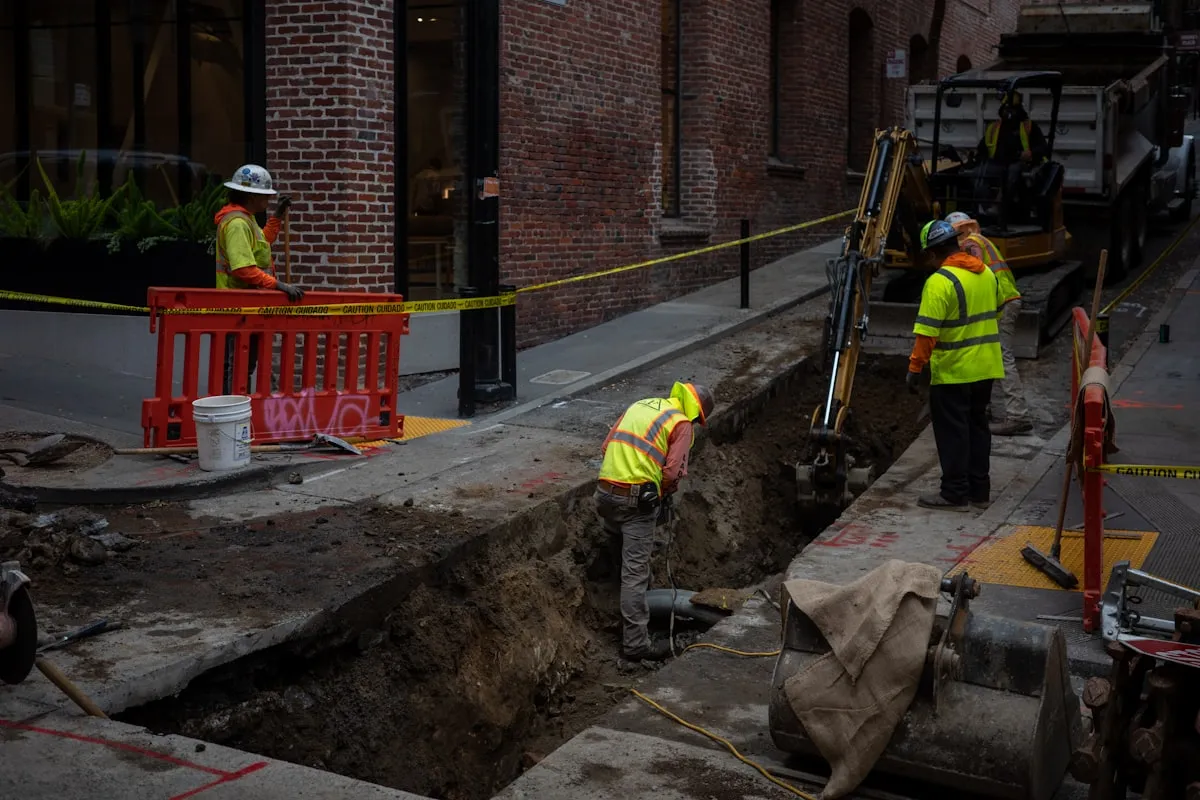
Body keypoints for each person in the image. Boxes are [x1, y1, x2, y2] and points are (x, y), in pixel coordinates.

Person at [595, 381, 715, 661]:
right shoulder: (681, 423)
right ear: (697, 413)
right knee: (634, 574)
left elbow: (606, 447)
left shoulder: (641, 405)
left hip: (604, 495)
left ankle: (626, 601)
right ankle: (636, 644)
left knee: (624, 548)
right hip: (635, 500)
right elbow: (672, 474)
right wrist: (660, 492)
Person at [907, 220, 1005, 512]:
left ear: (933, 252)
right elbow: (998, 308)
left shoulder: (939, 281)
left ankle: (954, 494)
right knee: (977, 427)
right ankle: (979, 491)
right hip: (986, 367)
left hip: (953, 371)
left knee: (954, 432)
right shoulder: (986, 273)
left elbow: (927, 333)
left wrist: (914, 369)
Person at [215, 164, 305, 393]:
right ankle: (232, 409)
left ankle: (237, 407)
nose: (267, 200)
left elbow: (261, 243)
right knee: (237, 366)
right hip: (237, 306)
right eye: (264, 196)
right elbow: (243, 269)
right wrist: (278, 285)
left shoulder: (246, 219)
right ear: (251, 196)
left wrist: (276, 217)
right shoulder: (237, 224)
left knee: (243, 364)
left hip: (246, 306)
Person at [945, 211, 1031, 436]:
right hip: (1004, 301)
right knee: (992, 354)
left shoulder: (971, 244)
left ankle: (1017, 415)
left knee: (1002, 356)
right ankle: (988, 409)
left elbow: (975, 274)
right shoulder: (980, 240)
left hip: (1002, 303)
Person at [973, 91, 1049, 223]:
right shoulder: (993, 128)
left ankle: (1002, 205)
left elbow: (1042, 148)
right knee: (978, 173)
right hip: (998, 163)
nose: (1009, 113)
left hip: (1020, 164)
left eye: (1012, 109)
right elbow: (982, 149)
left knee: (1013, 173)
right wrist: (974, 157)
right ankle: (987, 208)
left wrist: (1030, 154)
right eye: (1007, 109)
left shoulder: (1029, 127)